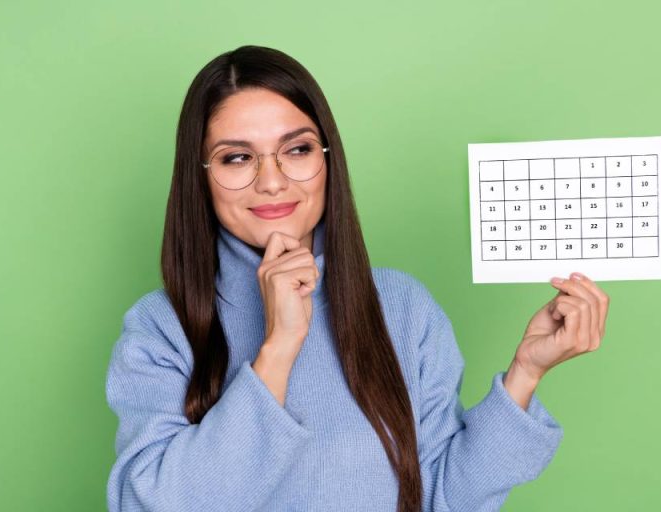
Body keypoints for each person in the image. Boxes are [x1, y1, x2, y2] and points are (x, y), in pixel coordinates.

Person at [105, 45, 610, 512]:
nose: (273, 179)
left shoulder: (403, 306)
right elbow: (150, 503)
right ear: (200, 176)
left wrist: (526, 371)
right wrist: (279, 347)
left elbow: (442, 497)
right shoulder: (161, 328)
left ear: (328, 160)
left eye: (297, 149)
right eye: (237, 157)